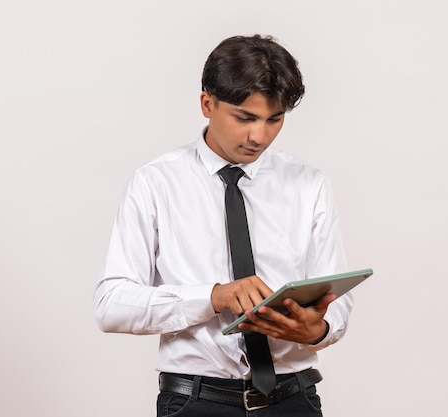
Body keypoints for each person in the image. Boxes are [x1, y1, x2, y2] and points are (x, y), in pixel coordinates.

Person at [93, 34, 352, 416]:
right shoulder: (155, 182)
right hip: (196, 402)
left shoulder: (308, 183)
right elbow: (111, 305)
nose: (258, 136)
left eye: (274, 119)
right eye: (244, 118)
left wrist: (317, 330)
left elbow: (338, 301)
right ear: (207, 104)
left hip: (294, 399)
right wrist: (214, 297)